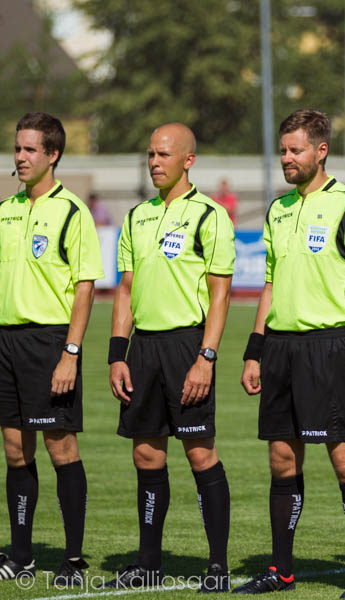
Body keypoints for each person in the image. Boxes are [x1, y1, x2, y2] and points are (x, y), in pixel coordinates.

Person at [235, 109, 345, 597]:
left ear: (321, 151)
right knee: (281, 459)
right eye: (283, 150)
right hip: (280, 349)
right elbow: (270, 282)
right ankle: (281, 571)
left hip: (332, 346)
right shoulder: (278, 209)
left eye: (295, 150)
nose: (287, 158)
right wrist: (254, 351)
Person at [106, 122, 235, 592]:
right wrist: (117, 354)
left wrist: (207, 357)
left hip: (187, 345)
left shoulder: (210, 215)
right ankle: (149, 563)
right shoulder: (136, 216)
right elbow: (125, 290)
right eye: (150, 155)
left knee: (200, 454)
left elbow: (220, 296)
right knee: (145, 454)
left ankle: (217, 566)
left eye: (163, 154)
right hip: (142, 348)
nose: (155, 162)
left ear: (188, 160)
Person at [0, 112, 103, 587]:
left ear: (53, 154)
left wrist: (71, 352)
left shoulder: (72, 211)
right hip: (5, 341)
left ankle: (74, 558)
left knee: (60, 447)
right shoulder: (6, 210)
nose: (19, 157)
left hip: (50, 342)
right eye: (16, 148)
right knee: (15, 450)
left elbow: (85, 289)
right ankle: (20, 556)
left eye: (29, 149)